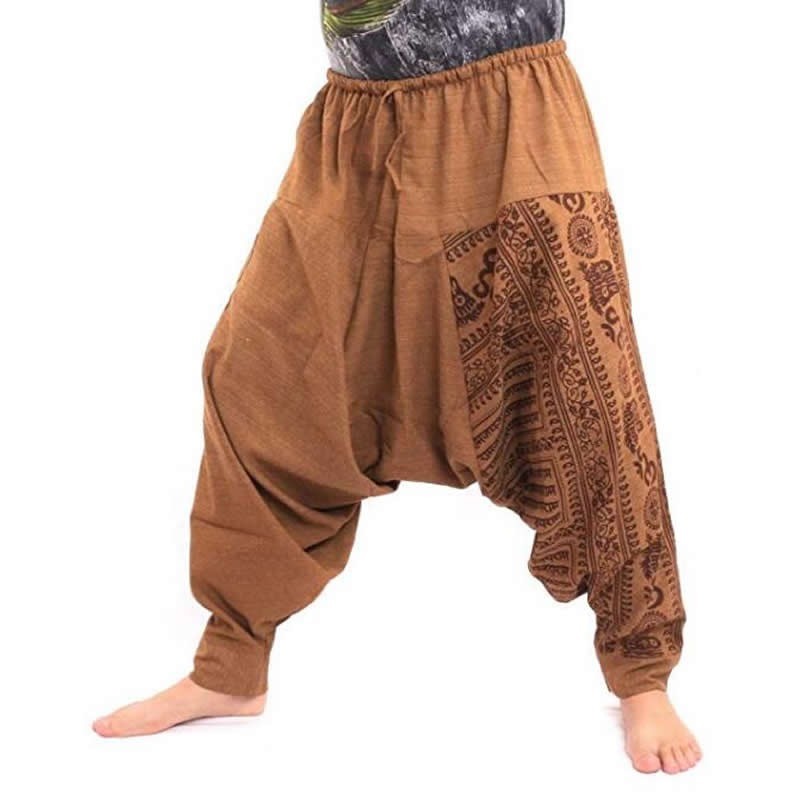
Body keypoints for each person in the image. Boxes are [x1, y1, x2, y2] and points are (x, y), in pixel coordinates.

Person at [93, 0, 702, 775]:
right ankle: (231, 667)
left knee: (586, 380)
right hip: (353, 124)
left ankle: (642, 676)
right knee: (257, 375)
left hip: (510, 109)